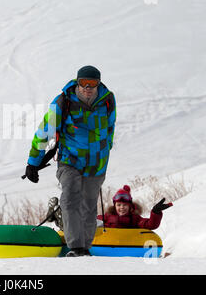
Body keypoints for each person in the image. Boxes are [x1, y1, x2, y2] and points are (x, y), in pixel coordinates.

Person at [24, 65, 116, 257]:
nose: (88, 87)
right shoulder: (63, 102)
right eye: (84, 83)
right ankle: (76, 246)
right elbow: (44, 133)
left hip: (97, 163)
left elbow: (110, 125)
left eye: (92, 83)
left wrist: (107, 147)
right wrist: (33, 163)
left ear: (98, 83)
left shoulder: (107, 100)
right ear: (77, 82)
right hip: (70, 161)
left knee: (89, 205)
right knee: (70, 198)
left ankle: (85, 247)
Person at [97, 185, 173, 229]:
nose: (122, 207)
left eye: (125, 205)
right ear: (114, 206)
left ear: (130, 206)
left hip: (129, 247)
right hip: (108, 245)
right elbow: (93, 222)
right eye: (119, 205)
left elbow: (150, 224)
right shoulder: (107, 217)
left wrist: (155, 213)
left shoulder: (135, 219)